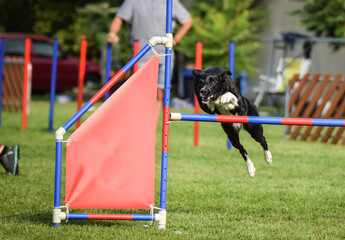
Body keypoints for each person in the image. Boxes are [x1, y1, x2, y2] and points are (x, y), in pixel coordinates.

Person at [107, 0, 192, 125]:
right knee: (139, 95)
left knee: (159, 94)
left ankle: (150, 129)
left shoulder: (170, 2)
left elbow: (188, 21)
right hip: (141, 55)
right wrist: (112, 33)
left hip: (165, 55)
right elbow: (118, 19)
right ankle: (134, 126)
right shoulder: (133, 2)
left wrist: (175, 40)